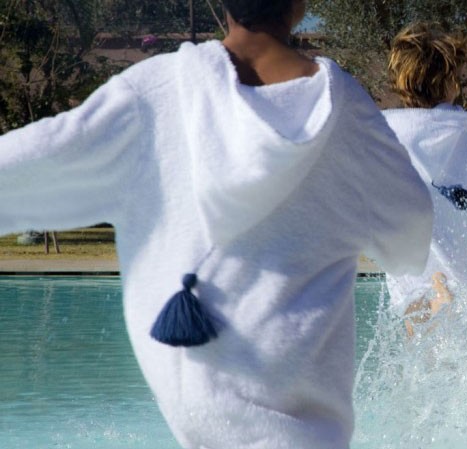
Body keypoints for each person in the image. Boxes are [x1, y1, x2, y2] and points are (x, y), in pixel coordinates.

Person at [0, 1, 433, 448]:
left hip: (201, 421)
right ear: (301, 5)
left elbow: (33, 161)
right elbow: (411, 227)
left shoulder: (155, 93)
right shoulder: (346, 113)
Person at [381, 22, 467, 335]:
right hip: (460, 249)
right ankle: (443, 295)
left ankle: (436, 298)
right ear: (448, 83)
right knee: (458, 349)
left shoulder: (384, 131)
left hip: (408, 247)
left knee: (413, 330)